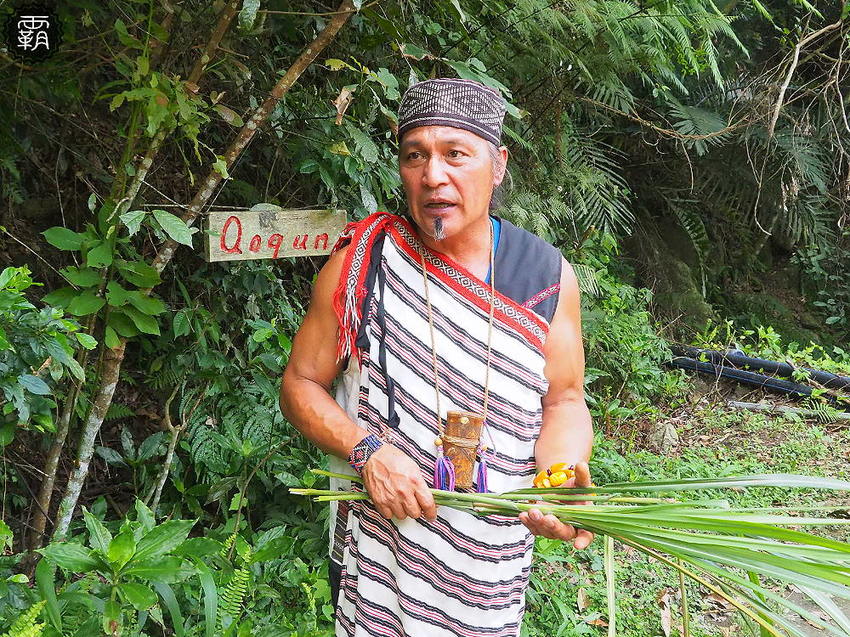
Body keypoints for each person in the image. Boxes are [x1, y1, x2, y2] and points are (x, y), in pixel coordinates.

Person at [279, 77, 594, 637]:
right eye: (415, 156)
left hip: (490, 565)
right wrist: (367, 450)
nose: (433, 176)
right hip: (379, 555)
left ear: (497, 165)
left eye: (456, 154)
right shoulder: (365, 262)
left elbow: (564, 401)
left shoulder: (544, 277)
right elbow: (300, 383)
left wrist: (558, 477)